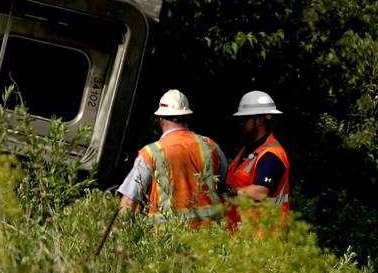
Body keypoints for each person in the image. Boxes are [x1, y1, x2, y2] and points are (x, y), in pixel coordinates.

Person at [118, 89, 227, 225]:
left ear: (161, 119)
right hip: (208, 237)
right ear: (187, 117)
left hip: (168, 240)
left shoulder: (151, 153)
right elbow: (222, 181)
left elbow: (129, 202)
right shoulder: (210, 146)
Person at [224, 90, 290, 231]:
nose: (240, 124)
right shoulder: (247, 149)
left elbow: (260, 192)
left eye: (245, 119)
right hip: (242, 235)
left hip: (264, 238)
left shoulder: (271, 154)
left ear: (259, 120)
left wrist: (231, 192)